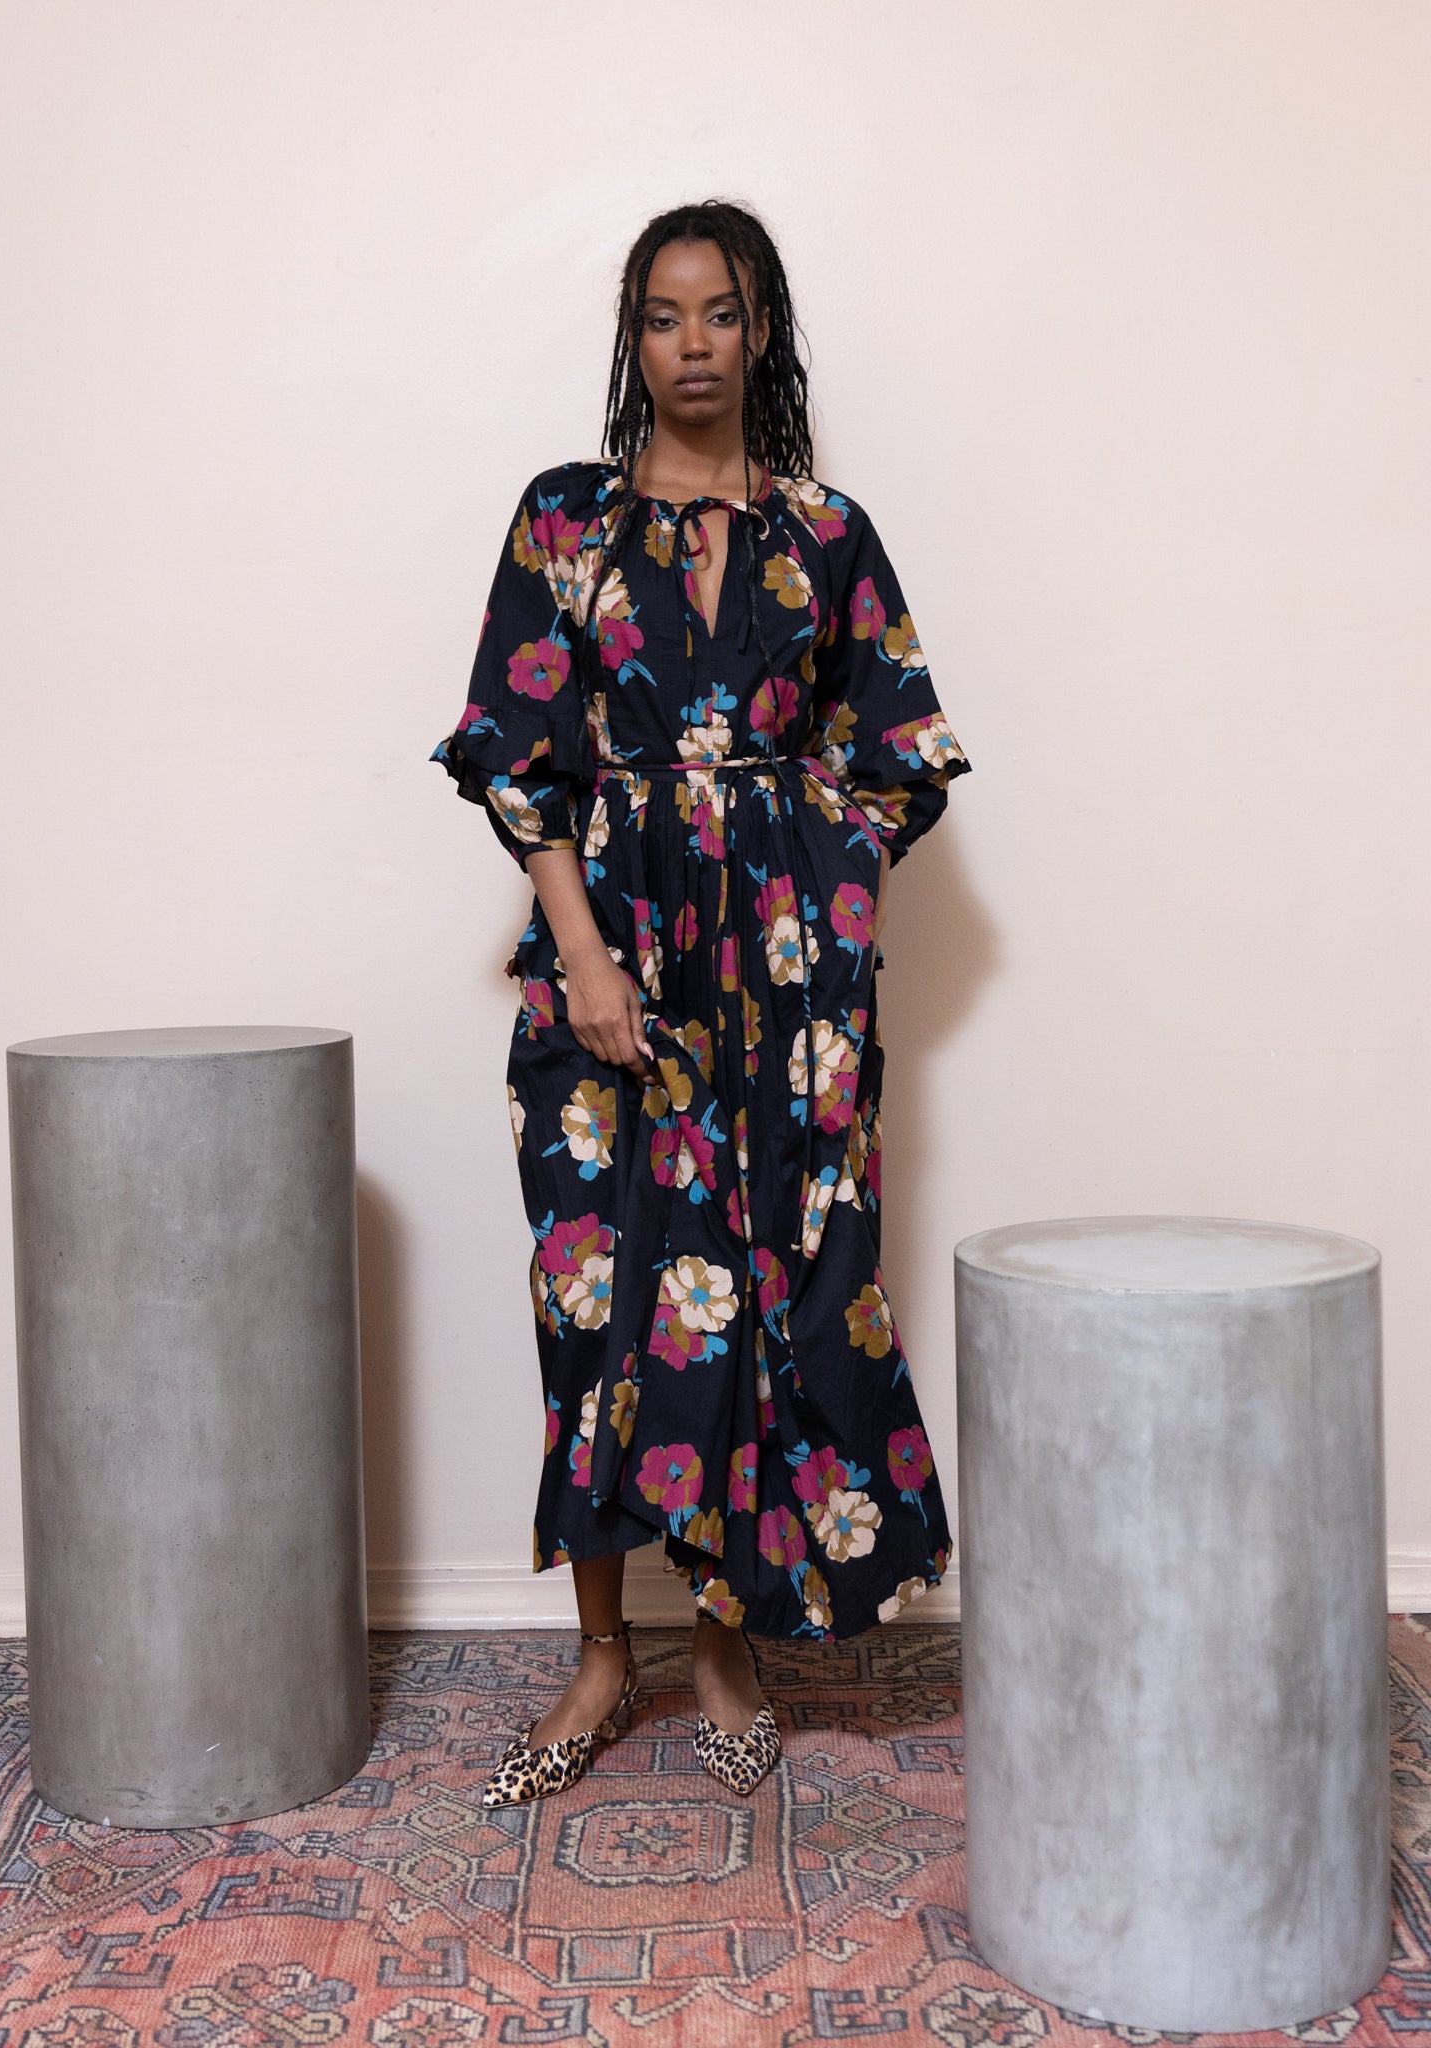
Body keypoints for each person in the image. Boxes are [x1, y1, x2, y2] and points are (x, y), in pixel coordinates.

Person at [432, 197, 972, 1807]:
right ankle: (605, 1654)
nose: (691, 346)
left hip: (784, 994)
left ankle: (727, 1646)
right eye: (663, 317)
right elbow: (514, 759)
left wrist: (822, 921)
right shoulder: (564, 523)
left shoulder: (827, 535)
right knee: (595, 1293)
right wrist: (588, 959)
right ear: (633, 337)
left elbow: (899, 754)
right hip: (607, 963)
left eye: (720, 313)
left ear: (763, 331)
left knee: (763, 1286)